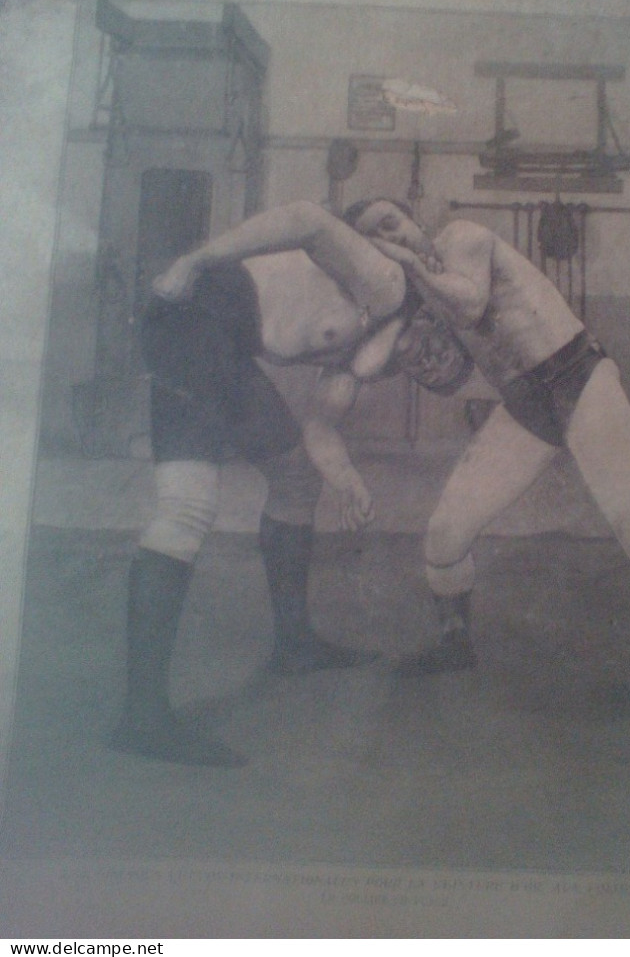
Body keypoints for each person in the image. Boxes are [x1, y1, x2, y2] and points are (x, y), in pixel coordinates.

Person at [338, 197, 630, 732]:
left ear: (413, 220)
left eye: (391, 223)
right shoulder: (417, 288)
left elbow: (471, 305)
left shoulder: (461, 239)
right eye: (373, 236)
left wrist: (402, 268)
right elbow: (367, 364)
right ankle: (455, 644)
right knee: (445, 536)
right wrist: (394, 308)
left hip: (578, 379)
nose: (392, 236)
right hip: (525, 405)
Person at [112, 199, 413, 768]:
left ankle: (294, 644)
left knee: (297, 477)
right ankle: (141, 716)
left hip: (223, 344)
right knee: (186, 510)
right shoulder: (386, 285)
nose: (425, 361)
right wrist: (196, 259)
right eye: (428, 348)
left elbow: (320, 427)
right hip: (196, 316)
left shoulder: (363, 344)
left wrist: (346, 480)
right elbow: (306, 217)